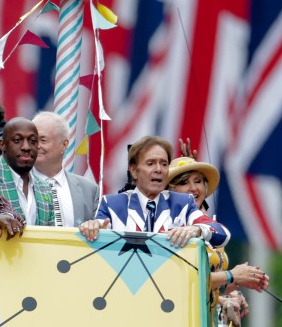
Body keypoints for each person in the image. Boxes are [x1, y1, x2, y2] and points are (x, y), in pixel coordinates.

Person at [79, 135, 229, 248]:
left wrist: (195, 229)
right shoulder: (111, 204)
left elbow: (222, 233)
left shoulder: (183, 203)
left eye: (164, 164)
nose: (158, 169)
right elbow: (95, 228)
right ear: (134, 171)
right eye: (150, 164)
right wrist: (91, 228)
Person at [166, 155, 268, 292]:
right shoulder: (168, 225)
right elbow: (182, 282)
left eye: (198, 181)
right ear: (169, 191)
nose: (193, 188)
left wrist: (240, 280)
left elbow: (210, 289)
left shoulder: (205, 225)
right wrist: (231, 275)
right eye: (184, 183)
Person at [0, 118, 56, 226]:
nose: (26, 147)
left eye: (32, 141)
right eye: (17, 140)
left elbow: (50, 235)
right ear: (2, 145)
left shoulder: (46, 188)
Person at [32, 111, 99, 226]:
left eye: (43, 140)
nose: (36, 146)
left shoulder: (89, 190)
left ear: (64, 145)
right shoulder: (15, 183)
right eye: (33, 140)